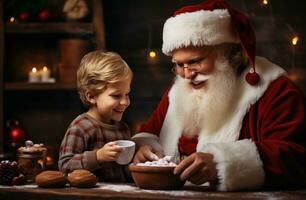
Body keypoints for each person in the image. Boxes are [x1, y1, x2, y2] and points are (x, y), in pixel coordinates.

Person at [132, 0, 306, 191]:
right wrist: (144, 149)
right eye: (179, 64)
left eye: (195, 61)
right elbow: (150, 133)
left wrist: (223, 163)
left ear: (228, 53)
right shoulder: (177, 92)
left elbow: (296, 157)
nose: (187, 74)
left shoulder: (276, 90)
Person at [58, 51, 133, 182]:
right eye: (116, 95)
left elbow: (124, 172)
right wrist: (97, 157)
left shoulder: (123, 129)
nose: (125, 102)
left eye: (127, 94)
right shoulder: (81, 127)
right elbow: (64, 166)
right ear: (91, 96)